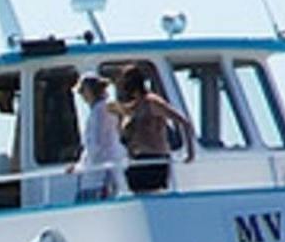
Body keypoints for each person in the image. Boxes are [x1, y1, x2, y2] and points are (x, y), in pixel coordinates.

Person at [113, 64, 195, 193]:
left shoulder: (152, 103)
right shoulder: (134, 107)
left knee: (150, 192)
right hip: (139, 159)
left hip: (155, 158)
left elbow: (184, 122)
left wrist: (190, 152)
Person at [68, 71, 122, 201]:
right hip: (96, 173)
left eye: (83, 91)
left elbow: (97, 146)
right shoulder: (100, 109)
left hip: (100, 174)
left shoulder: (100, 110)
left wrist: (80, 167)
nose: (81, 95)